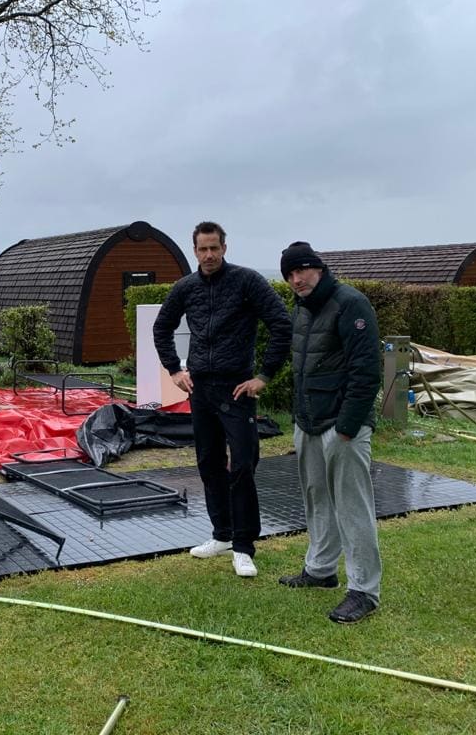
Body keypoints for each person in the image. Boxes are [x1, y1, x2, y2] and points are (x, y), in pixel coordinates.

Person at [153, 221, 291, 578]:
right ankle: (221, 535)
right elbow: (161, 327)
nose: (209, 255)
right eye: (202, 249)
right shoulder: (186, 287)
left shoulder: (246, 282)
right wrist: (174, 370)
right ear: (194, 251)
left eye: (215, 248)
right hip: (200, 389)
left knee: (243, 464)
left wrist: (264, 376)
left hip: (236, 389)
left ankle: (244, 546)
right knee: (208, 462)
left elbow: (281, 323)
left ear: (224, 248)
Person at [277, 241, 383, 624]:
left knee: (352, 507)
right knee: (316, 498)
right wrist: (300, 421)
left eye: (300, 271)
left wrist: (348, 427)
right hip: (308, 422)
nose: (295, 280)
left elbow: (367, 370)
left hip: (342, 428)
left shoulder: (350, 304)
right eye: (289, 275)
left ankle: (364, 591)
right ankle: (321, 570)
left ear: (317, 268)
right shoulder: (302, 308)